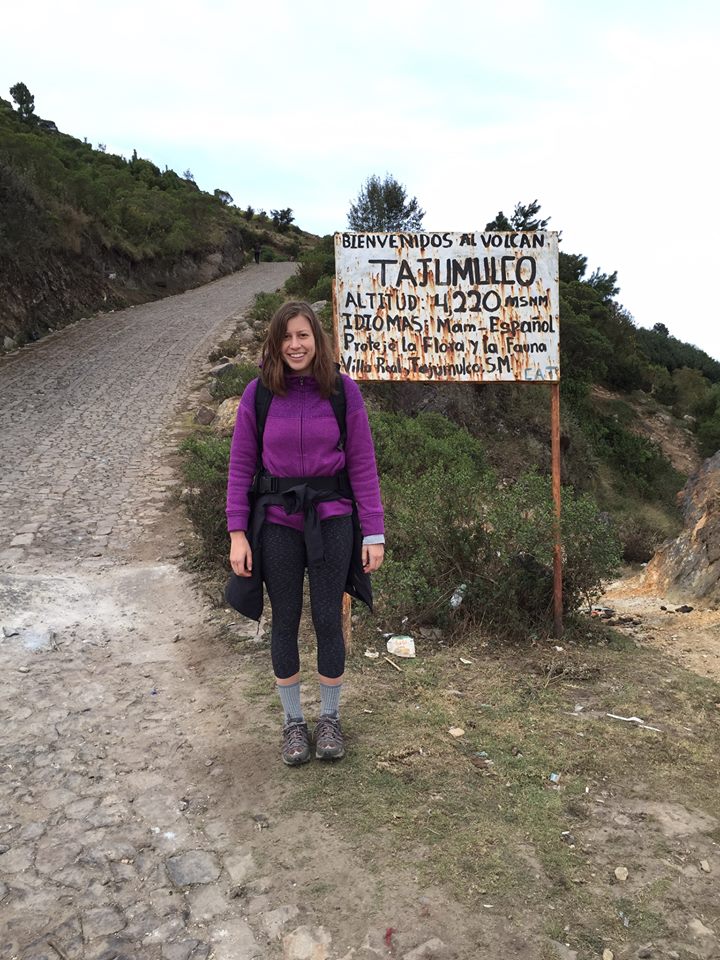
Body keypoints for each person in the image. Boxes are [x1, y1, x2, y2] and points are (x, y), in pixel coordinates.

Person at [226, 301, 384, 766]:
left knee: (328, 619)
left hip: (333, 521)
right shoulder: (259, 395)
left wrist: (372, 532)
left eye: (304, 336)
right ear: (276, 344)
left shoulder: (342, 392)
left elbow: (362, 464)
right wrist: (238, 532)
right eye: (286, 337)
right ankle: (294, 723)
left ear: (318, 341)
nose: (295, 345)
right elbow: (240, 468)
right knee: (286, 620)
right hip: (276, 524)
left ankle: (330, 719)